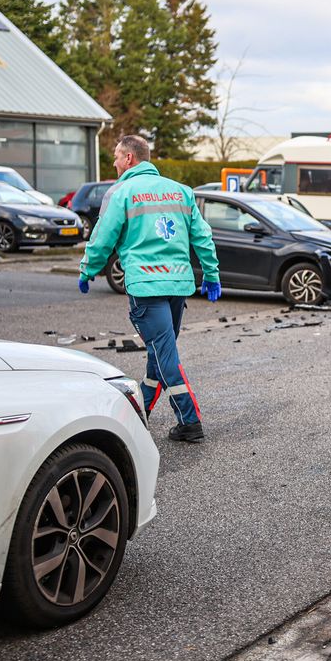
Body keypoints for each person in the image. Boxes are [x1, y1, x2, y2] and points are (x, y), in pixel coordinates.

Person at [78, 134, 221, 443]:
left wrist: (88, 269)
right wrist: (211, 274)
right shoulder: (181, 192)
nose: (115, 162)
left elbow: (103, 236)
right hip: (179, 285)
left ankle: (190, 420)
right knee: (160, 352)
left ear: (129, 158)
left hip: (146, 286)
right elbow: (202, 237)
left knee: (164, 354)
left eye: (117, 156)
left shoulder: (121, 193)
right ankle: (140, 411)